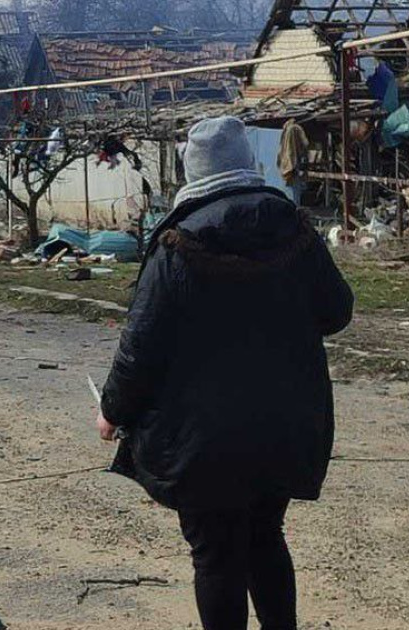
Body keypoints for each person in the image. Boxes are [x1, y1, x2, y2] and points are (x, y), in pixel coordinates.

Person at [96, 116, 354, 630]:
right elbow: (337, 311)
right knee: (265, 536)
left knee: (215, 554)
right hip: (282, 423)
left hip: (201, 437)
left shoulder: (177, 243)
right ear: (248, 163)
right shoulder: (294, 229)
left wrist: (111, 411)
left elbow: (141, 347)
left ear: (192, 172)